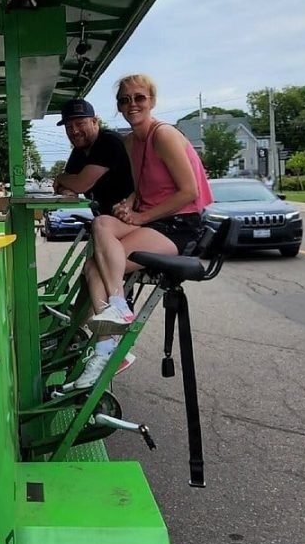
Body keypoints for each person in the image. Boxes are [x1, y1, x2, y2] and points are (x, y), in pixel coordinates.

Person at [74, 74, 213, 389]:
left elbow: (188, 191)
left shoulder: (163, 135)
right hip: (153, 218)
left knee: (98, 264)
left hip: (180, 223)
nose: (131, 104)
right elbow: (140, 188)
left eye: (139, 98)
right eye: (124, 100)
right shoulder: (130, 141)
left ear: (152, 101)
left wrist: (141, 217)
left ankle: (109, 340)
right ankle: (115, 321)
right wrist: (129, 205)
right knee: (101, 224)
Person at [53, 98, 134, 216]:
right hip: (107, 216)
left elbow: (81, 184)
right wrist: (65, 188)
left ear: (95, 122)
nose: (75, 131)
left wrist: (60, 178)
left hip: (130, 216)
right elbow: (66, 183)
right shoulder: (79, 150)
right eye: (69, 127)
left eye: (80, 124)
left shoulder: (108, 142)